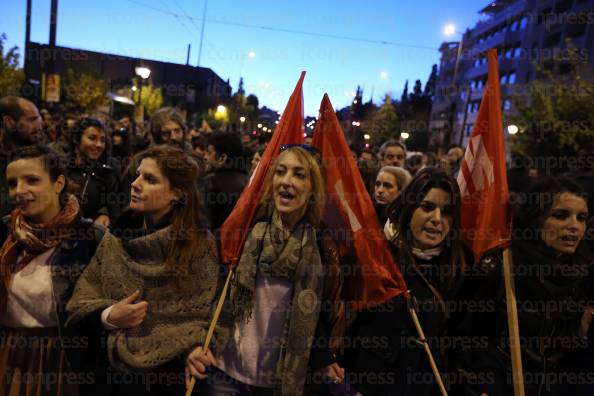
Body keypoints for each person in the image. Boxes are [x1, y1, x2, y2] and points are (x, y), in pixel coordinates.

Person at [66, 145, 227, 395]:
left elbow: (203, 314)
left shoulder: (198, 246)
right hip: (111, 379)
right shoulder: (116, 238)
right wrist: (108, 316)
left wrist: (193, 347)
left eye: (149, 179)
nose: (135, 184)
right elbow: (80, 303)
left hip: (169, 379)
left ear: (178, 193)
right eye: (138, 175)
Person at [187, 145, 344, 395]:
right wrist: (194, 343)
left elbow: (317, 314)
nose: (286, 181)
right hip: (223, 372)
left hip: (276, 383)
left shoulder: (322, 247)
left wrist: (324, 358)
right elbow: (204, 294)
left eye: (299, 174)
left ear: (314, 187)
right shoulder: (243, 231)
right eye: (280, 172)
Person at [457, 177, 594, 396]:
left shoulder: (583, 274)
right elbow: (464, 337)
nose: (574, 226)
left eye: (582, 218)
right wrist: (483, 385)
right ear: (535, 218)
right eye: (560, 215)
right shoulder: (502, 267)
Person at [345, 167, 469, 396]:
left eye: (447, 211)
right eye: (428, 207)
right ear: (410, 207)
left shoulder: (460, 267)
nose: (437, 220)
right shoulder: (376, 255)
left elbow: (464, 341)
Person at [0, 145, 105, 396]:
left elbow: (104, 308)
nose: (19, 191)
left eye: (32, 180)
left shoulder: (92, 238)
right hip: (8, 358)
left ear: (58, 184)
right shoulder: (5, 232)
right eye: (13, 183)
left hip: (65, 361)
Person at [66, 117, 122, 227]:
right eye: (92, 138)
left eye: (102, 140)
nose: (99, 145)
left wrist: (105, 214)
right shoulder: (61, 168)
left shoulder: (108, 174)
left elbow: (115, 212)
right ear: (76, 139)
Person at [0, 96, 44, 221]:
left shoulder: (45, 157)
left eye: (39, 118)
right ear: (9, 122)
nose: (39, 126)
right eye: (32, 119)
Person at [202, 132, 249, 230]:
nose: (205, 157)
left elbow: (205, 224)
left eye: (209, 153)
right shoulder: (249, 182)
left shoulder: (210, 182)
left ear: (222, 158)